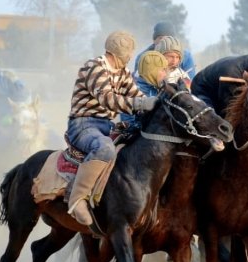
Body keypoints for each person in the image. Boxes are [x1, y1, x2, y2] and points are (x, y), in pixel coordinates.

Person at [66, 31, 158, 234]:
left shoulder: (122, 72)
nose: (130, 56)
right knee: (105, 147)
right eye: (129, 52)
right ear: (119, 52)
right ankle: (77, 199)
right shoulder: (94, 67)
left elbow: (136, 94)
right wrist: (141, 103)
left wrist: (156, 104)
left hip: (106, 125)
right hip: (82, 124)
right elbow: (107, 99)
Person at [191, 52, 248, 116]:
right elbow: (227, 108)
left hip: (222, 82)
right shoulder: (231, 74)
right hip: (203, 89)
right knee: (215, 120)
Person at [119, 50, 171, 129]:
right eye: (162, 70)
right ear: (152, 71)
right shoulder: (133, 91)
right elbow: (128, 123)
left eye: (165, 70)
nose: (165, 74)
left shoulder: (162, 89)